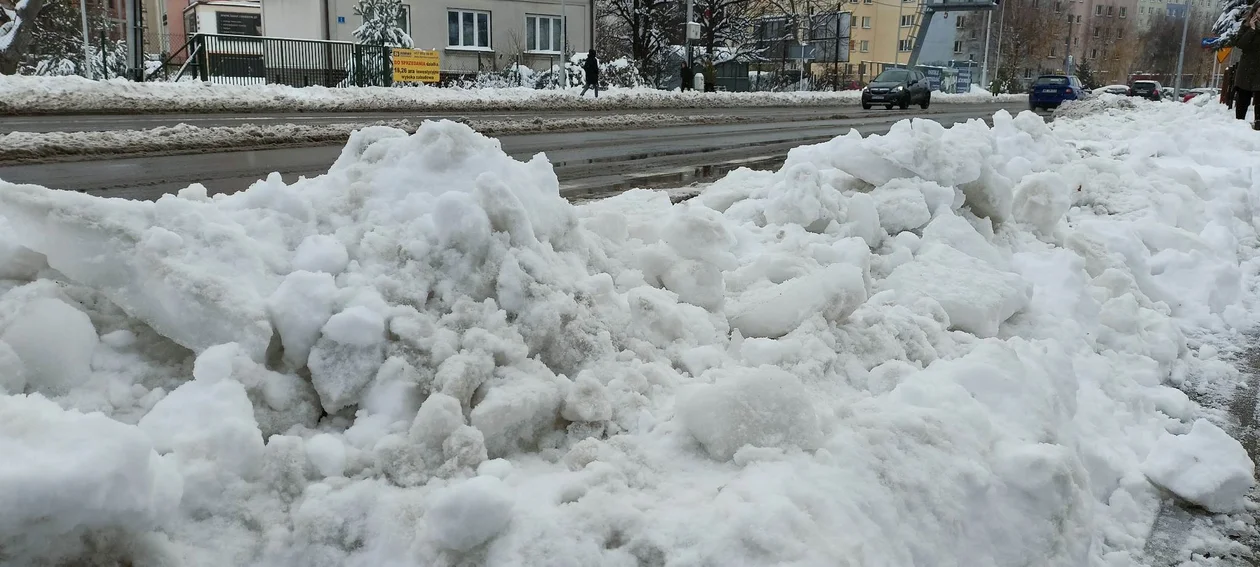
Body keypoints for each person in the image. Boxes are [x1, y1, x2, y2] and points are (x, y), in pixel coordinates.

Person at [1233, 4, 1260, 128]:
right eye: (1259, 13)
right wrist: (1252, 30)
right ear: (1254, 13)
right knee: (1242, 102)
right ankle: (1238, 129)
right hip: (1246, 70)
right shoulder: (1246, 26)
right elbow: (1240, 44)